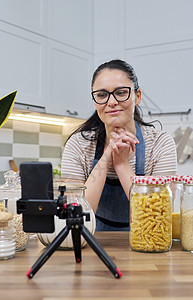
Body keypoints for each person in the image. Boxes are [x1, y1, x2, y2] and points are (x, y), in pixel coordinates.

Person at [61, 59, 177, 231]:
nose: (111, 102)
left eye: (121, 93)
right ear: (95, 101)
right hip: (89, 245)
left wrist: (121, 164)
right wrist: (105, 159)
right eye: (101, 95)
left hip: (145, 244)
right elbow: (75, 216)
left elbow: (157, 216)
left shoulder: (160, 144)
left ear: (137, 97)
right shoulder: (78, 145)